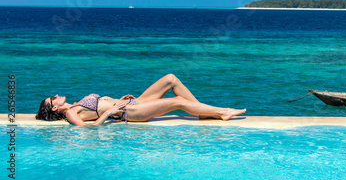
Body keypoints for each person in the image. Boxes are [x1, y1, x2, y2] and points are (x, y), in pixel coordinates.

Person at [35, 74, 246, 126]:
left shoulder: (76, 103)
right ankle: (222, 111)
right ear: (54, 107)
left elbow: (103, 102)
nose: (56, 95)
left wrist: (120, 98)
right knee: (178, 102)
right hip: (131, 113)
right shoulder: (71, 113)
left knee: (171, 79)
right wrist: (109, 112)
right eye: (52, 98)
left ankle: (201, 111)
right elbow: (86, 129)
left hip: (134, 102)